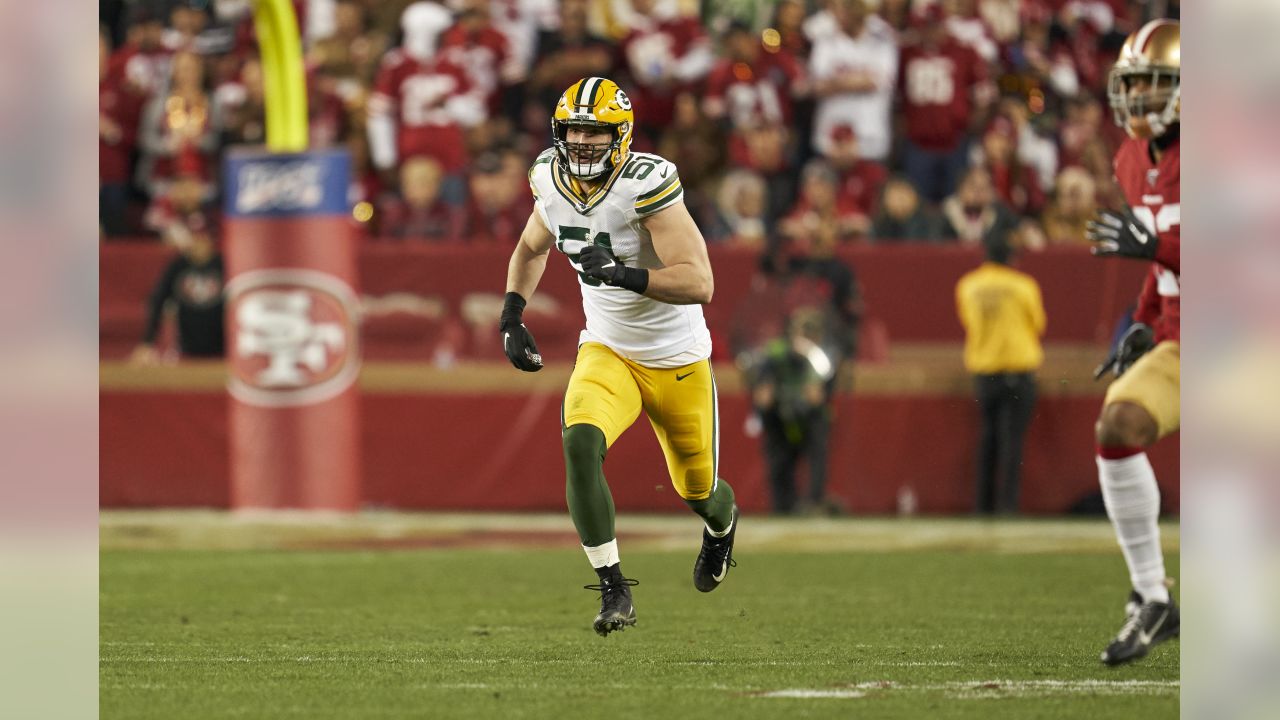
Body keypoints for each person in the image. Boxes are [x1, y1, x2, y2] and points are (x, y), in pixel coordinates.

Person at [500, 77, 739, 637]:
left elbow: (700, 281)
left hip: (676, 356)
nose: (582, 142)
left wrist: (627, 275)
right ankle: (613, 589)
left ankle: (722, 528)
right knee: (580, 441)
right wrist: (512, 315)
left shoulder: (645, 184)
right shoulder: (548, 179)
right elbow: (532, 246)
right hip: (608, 348)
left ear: (621, 136)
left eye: (595, 131)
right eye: (574, 130)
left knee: (698, 489)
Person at [1084, 18, 1181, 666]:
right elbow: (1162, 265)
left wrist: (1161, 247)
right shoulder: (1129, 157)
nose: (1141, 98)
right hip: (1186, 338)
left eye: (1156, 84)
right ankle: (1152, 595)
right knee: (1118, 423)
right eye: (1135, 83)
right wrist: (1141, 324)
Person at [955, 240, 1045, 515]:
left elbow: (968, 321)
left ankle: (982, 505)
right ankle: (1008, 505)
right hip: (1018, 368)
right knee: (1012, 441)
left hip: (984, 370)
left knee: (987, 438)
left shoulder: (968, 285)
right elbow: (1038, 323)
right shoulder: (1023, 285)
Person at [750, 308, 838, 516]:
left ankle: (814, 503)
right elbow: (763, 393)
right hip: (780, 416)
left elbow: (818, 395)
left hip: (809, 417)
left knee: (818, 451)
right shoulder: (776, 353)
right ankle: (783, 506)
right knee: (779, 461)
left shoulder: (822, 357)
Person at [131, 212, 224, 365]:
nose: (198, 242)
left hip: (222, 350)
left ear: (211, 239)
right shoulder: (178, 266)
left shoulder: (224, 266)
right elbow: (158, 301)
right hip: (186, 348)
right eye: (194, 237)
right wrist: (147, 342)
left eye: (202, 237)